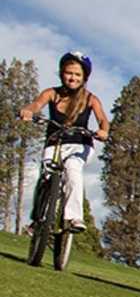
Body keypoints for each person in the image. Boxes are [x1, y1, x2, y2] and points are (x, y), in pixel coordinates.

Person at [18, 51, 109, 232]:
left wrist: (103, 131)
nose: (72, 78)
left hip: (80, 145)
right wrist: (28, 111)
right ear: (62, 73)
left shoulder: (91, 99)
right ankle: (38, 219)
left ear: (84, 77)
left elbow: (103, 120)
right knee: (46, 175)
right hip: (54, 143)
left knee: (72, 169)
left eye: (77, 74)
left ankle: (74, 218)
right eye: (69, 73)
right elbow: (36, 105)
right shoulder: (51, 93)